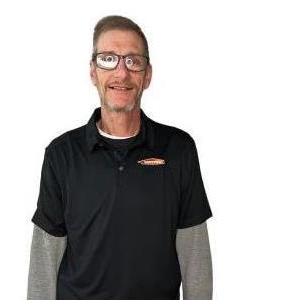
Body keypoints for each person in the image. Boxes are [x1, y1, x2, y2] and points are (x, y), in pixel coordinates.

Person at [27, 15, 213, 300]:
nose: (121, 74)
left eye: (133, 61)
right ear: (93, 72)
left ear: (147, 74)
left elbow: (195, 257)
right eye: (108, 59)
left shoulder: (179, 150)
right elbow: (45, 260)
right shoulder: (61, 155)